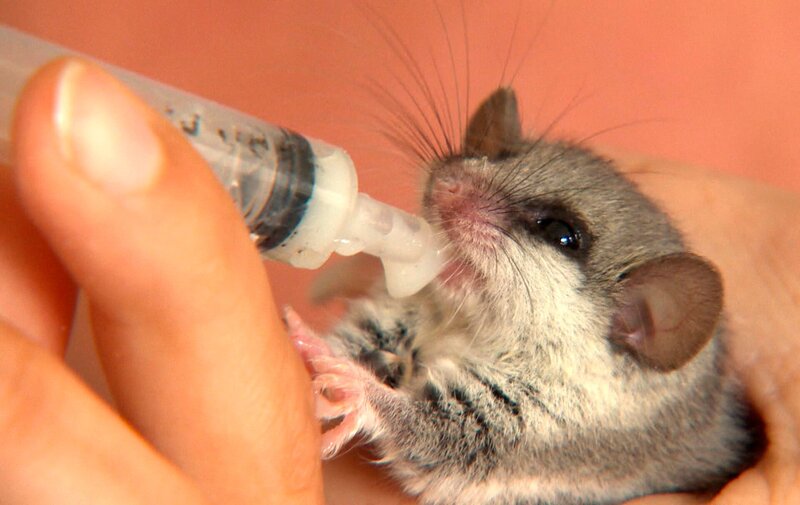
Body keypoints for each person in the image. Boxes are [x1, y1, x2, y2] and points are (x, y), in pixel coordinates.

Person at [0, 58, 797, 504]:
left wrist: (376, 401)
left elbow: (474, 450)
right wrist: (357, 356)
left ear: (637, 323)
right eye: (490, 158)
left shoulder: (610, 407)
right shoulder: (506, 300)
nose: (455, 187)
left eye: (557, 232)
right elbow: (402, 337)